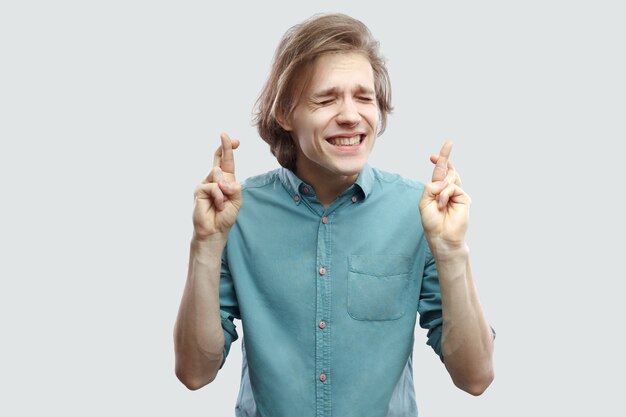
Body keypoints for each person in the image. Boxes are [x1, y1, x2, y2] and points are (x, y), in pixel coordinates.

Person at [174, 13, 494, 417]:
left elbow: (476, 379)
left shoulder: (419, 212)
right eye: (326, 99)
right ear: (286, 114)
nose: (350, 115)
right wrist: (205, 245)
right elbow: (194, 373)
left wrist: (451, 251)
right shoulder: (236, 213)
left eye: (364, 98)